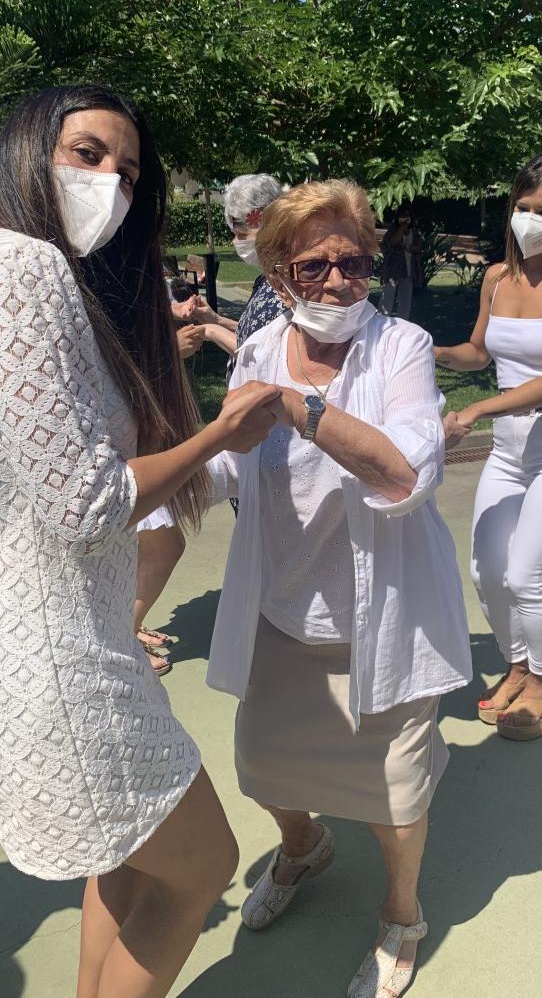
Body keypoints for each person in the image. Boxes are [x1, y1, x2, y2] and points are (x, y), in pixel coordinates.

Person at [0, 84, 281, 998]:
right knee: (201, 869)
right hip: (51, 652)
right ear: (23, 149)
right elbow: (87, 506)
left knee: (129, 864)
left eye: (127, 173)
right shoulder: (23, 266)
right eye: (87, 155)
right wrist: (218, 436)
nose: (110, 186)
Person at [202, 179, 472, 998]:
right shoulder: (257, 350)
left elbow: (405, 473)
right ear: (276, 273)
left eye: (353, 262)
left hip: (383, 618)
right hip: (283, 609)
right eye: (312, 266)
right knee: (260, 765)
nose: (336, 282)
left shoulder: (401, 347)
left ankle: (401, 916)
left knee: (393, 793)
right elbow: (227, 465)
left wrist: (299, 407)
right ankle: (304, 846)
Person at [435, 151, 542, 741]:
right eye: (524, 207)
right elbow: (479, 353)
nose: (531, 220)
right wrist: (428, 350)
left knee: (527, 574)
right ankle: (518, 667)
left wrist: (477, 409)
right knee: (487, 571)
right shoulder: (497, 278)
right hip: (508, 452)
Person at [224, 173, 286, 353]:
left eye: (242, 235)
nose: (237, 242)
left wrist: (211, 331)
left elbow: (260, 351)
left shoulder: (287, 283)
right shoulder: (266, 278)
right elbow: (252, 329)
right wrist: (215, 319)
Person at [379, 204, 421, 319]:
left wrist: (411, 248)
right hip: (393, 270)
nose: (405, 217)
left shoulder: (414, 231)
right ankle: (382, 320)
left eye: (407, 215)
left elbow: (418, 247)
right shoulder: (393, 230)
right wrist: (402, 227)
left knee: (405, 301)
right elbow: (393, 242)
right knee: (387, 297)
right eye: (402, 215)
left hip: (409, 270)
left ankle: (403, 323)